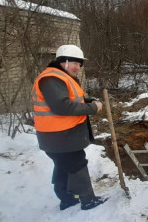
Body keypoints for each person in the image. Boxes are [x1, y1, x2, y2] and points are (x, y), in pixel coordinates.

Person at [31, 44, 107, 210]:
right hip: (59, 136)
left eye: (80, 64)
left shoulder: (61, 77)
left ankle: (66, 199)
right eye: (76, 63)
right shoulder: (52, 79)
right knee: (77, 164)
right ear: (64, 61)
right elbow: (62, 106)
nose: (78, 67)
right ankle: (88, 200)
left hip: (59, 136)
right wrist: (92, 108)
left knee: (63, 165)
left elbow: (72, 100)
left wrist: (87, 101)